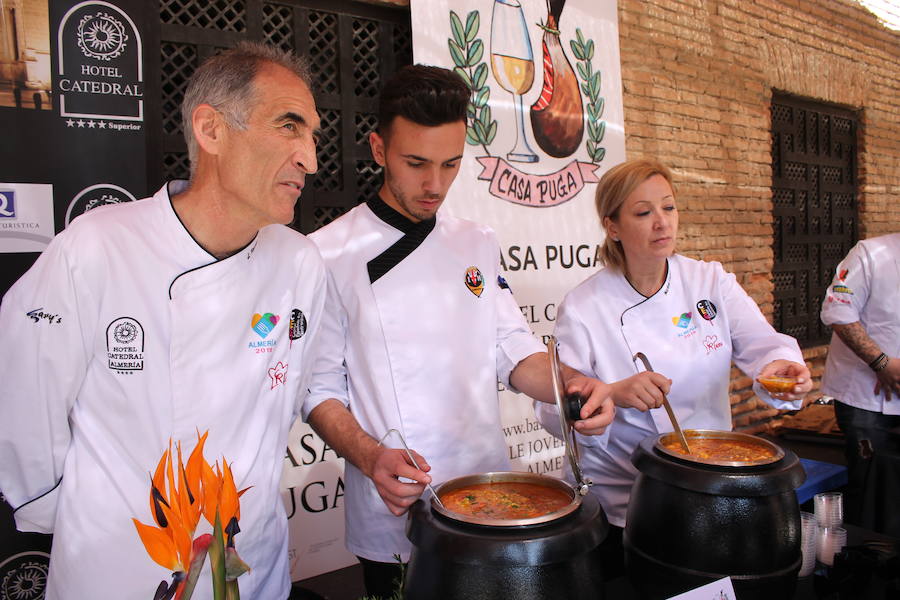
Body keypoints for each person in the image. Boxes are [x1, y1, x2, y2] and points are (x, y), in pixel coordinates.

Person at [0, 42, 325, 599]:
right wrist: (96, 521)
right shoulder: (98, 247)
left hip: (252, 567)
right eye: (289, 126)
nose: (311, 159)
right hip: (119, 568)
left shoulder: (300, 263)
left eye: (313, 135)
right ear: (212, 130)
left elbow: (291, 396)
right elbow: (23, 407)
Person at [302, 64, 614, 599]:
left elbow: (513, 350)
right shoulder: (326, 253)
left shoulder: (476, 242)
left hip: (490, 496)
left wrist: (573, 384)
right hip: (392, 503)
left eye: (451, 164)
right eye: (417, 163)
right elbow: (319, 390)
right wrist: (372, 457)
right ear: (378, 150)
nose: (435, 185)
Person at [534, 158, 812, 578]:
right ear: (612, 227)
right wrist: (611, 393)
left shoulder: (709, 283)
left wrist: (784, 369)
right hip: (620, 501)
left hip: (710, 490)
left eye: (669, 207)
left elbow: (764, 345)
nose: (662, 222)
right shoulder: (586, 305)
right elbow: (557, 406)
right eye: (644, 213)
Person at [820, 233, 900, 524]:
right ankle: (863, 554)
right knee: (868, 484)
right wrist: (880, 362)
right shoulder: (870, 253)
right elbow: (837, 310)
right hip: (864, 398)